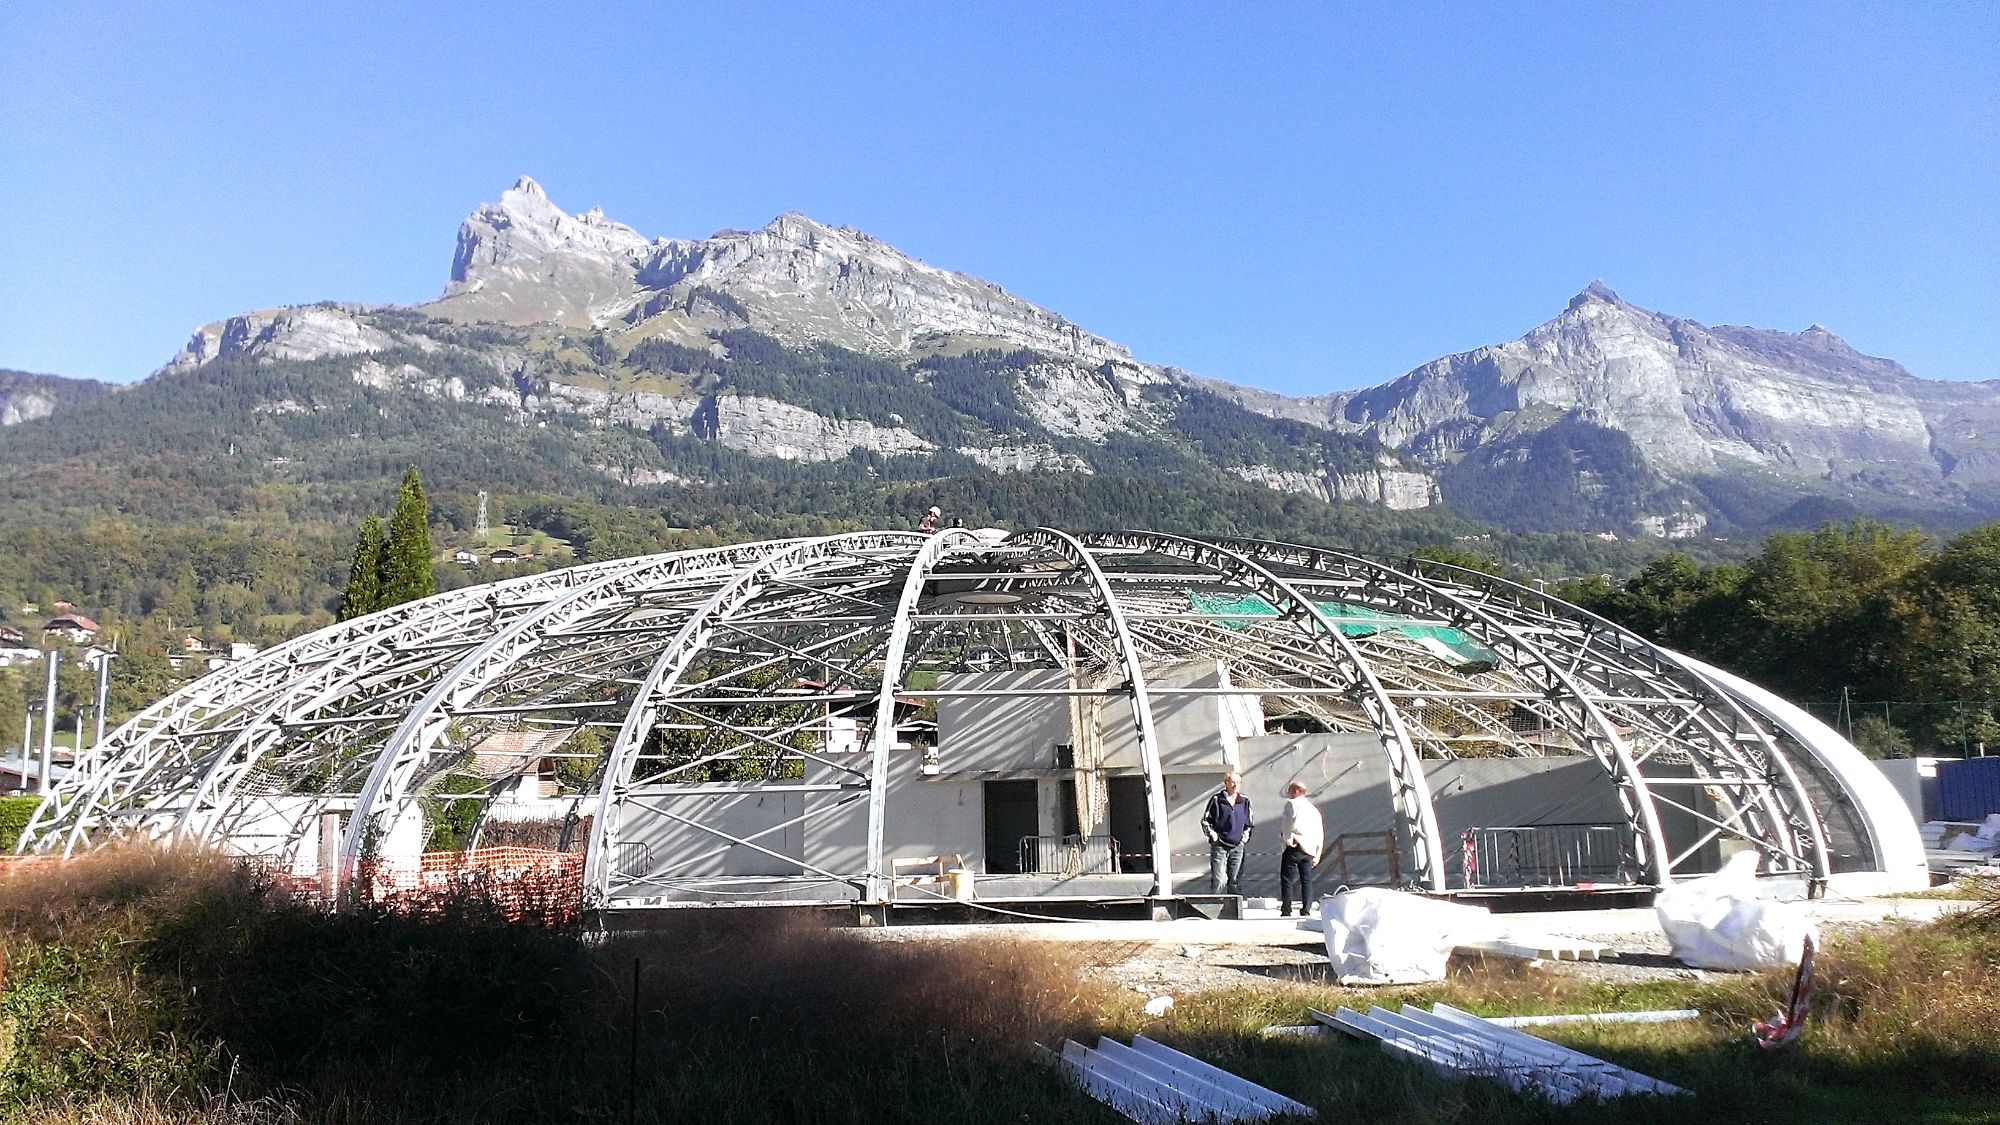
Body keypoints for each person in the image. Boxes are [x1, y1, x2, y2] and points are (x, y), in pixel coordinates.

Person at [1201, 771, 1252, 896]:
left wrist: (1244, 839)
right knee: (1219, 880)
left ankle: (1233, 910)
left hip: (1238, 846)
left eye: (1238, 782)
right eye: (1233, 782)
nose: (1235, 785)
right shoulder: (1217, 800)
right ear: (1226, 783)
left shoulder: (1244, 801)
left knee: (1235, 881)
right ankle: (1215, 907)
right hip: (1220, 846)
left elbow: (1249, 823)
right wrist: (1213, 835)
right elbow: (1205, 820)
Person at [1277, 780, 1324, 917]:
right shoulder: (1313, 809)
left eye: (1290, 790)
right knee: (1306, 880)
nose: (1289, 794)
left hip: (1295, 846)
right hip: (1309, 849)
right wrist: (1317, 853)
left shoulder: (1292, 804)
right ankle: (1306, 909)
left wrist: (1286, 840)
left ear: (1296, 791)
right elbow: (1319, 832)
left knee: (1287, 879)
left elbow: (1287, 824)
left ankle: (1287, 909)